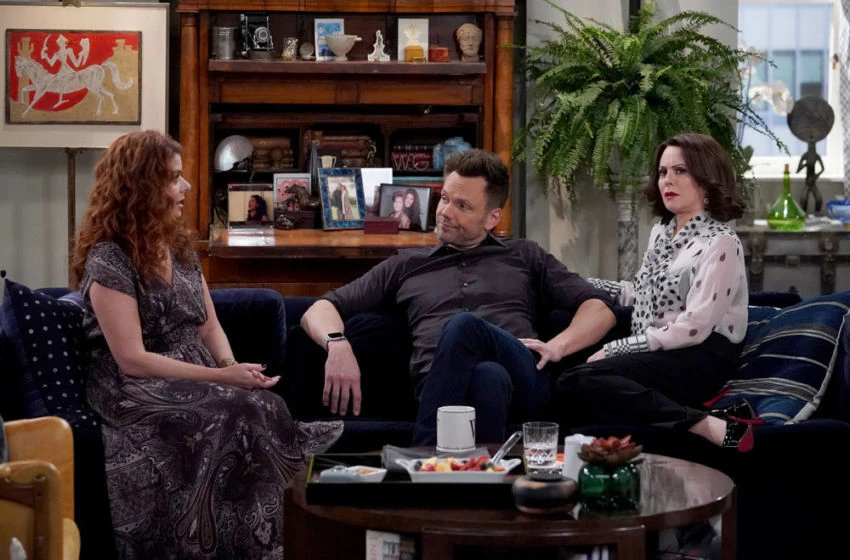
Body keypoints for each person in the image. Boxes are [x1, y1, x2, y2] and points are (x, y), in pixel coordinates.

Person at [70, 130, 343, 557]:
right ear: (140, 186)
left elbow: (209, 325)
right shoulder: (110, 257)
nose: (186, 186)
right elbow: (132, 359)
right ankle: (208, 543)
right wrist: (223, 378)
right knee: (232, 413)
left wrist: (232, 368)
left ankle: (270, 541)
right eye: (173, 178)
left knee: (266, 404)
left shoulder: (179, 248)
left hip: (192, 371)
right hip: (134, 386)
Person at [300, 149, 616, 445]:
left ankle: (423, 453)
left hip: (521, 381)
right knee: (487, 377)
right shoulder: (406, 264)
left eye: (462, 206)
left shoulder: (524, 255)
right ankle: (479, 481)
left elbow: (600, 309)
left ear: (492, 218)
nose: (445, 212)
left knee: (465, 327)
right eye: (445, 199)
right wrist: (337, 343)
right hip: (440, 387)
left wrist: (559, 345)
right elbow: (320, 308)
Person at [555, 133, 754, 452]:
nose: (667, 181)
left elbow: (694, 327)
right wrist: (578, 284)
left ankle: (702, 424)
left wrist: (619, 348)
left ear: (707, 179)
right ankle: (693, 415)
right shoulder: (661, 232)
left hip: (700, 353)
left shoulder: (721, 242)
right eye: (662, 172)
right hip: (660, 344)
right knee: (565, 368)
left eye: (680, 171)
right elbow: (643, 295)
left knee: (579, 380)